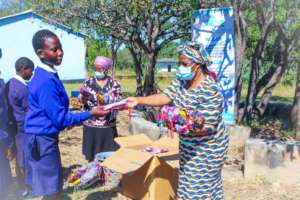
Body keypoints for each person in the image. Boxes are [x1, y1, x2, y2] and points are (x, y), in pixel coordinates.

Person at [126, 42, 228, 200]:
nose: (181, 67)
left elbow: (207, 126)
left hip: (207, 148)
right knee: (188, 182)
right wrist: (138, 100)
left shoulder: (210, 89)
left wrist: (177, 124)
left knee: (199, 188)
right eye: (179, 63)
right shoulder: (182, 83)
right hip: (188, 145)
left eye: (184, 64)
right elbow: (165, 97)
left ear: (198, 65)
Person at [24, 29, 108, 200]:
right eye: (54, 49)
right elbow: (60, 119)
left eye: (60, 48)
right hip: (42, 140)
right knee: (52, 189)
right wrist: (90, 113)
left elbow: (55, 112)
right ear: (41, 53)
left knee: (51, 185)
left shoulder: (47, 74)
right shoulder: (45, 81)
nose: (60, 52)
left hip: (43, 136)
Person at [80, 56, 122, 162]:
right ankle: (94, 175)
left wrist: (106, 100)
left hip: (108, 125)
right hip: (91, 124)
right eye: (95, 68)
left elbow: (118, 102)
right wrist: (84, 97)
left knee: (109, 157)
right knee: (92, 157)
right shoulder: (88, 83)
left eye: (99, 69)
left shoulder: (114, 84)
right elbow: (82, 102)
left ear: (106, 69)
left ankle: (106, 176)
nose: (96, 71)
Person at [7, 57, 34, 191]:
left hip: (15, 125)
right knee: (24, 157)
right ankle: (27, 186)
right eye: (31, 71)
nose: (31, 74)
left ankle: (22, 184)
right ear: (23, 69)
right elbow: (29, 109)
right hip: (23, 126)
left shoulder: (10, 84)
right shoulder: (22, 88)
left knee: (19, 155)